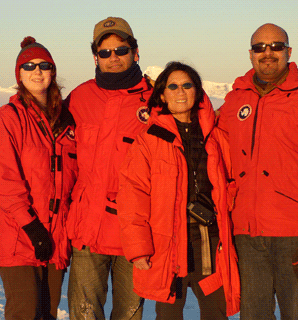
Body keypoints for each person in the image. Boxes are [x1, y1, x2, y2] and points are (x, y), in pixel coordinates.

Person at [117, 61, 240, 320]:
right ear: (162, 95)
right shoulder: (149, 139)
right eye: (173, 86)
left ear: (197, 92)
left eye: (187, 85)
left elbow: (233, 182)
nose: (180, 92)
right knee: (169, 313)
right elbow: (133, 195)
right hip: (168, 246)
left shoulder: (215, 136)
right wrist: (139, 248)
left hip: (210, 242)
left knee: (216, 311)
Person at [217, 23, 298, 319]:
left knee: (295, 312)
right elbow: (215, 150)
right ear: (250, 54)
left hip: (295, 231)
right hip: (246, 231)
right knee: (254, 313)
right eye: (260, 47)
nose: (268, 53)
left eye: (276, 46)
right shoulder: (235, 100)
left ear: (288, 52)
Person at [65, 17, 153, 319]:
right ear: (95, 57)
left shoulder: (156, 100)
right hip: (89, 228)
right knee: (84, 313)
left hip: (137, 231)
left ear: (136, 52)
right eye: (105, 52)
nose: (113, 57)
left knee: (129, 313)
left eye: (121, 50)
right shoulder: (79, 98)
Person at [0, 37, 77, 320]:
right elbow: (5, 182)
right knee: (24, 312)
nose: (37, 71)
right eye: (28, 66)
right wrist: (32, 228)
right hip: (20, 235)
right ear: (19, 75)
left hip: (56, 237)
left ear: (53, 71)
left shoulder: (65, 121)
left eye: (44, 65)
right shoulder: (9, 119)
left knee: (47, 314)